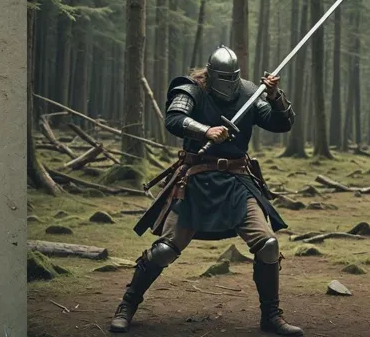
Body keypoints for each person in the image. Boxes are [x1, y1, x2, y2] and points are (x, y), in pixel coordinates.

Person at [110, 46, 302, 336]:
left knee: (268, 245)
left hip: (237, 179)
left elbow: (282, 123)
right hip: (195, 179)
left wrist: (274, 96)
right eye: (223, 77)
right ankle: (126, 306)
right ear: (210, 75)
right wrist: (206, 130)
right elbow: (174, 119)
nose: (228, 82)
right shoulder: (192, 90)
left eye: (232, 77)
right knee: (164, 250)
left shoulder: (249, 93)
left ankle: (271, 316)